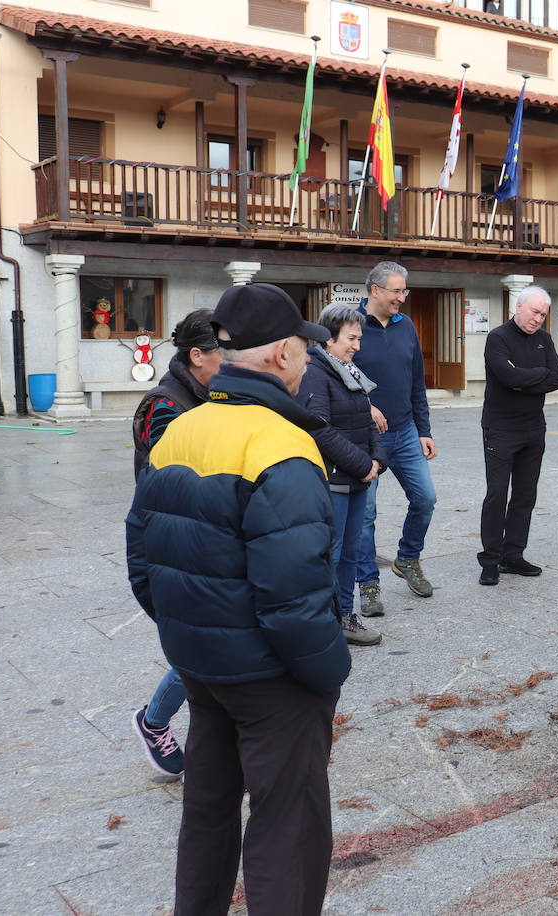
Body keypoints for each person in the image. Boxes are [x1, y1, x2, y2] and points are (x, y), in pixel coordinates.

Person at [125, 282, 351, 914]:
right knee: (288, 828)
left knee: (208, 812)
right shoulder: (281, 445)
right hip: (271, 677)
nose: (309, 358)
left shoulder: (180, 431)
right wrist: (327, 673)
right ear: (281, 354)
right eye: (305, 349)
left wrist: (191, 630)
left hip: (202, 664)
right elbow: (295, 595)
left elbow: (142, 558)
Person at [128, 308, 222, 777]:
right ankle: (154, 720)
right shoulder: (163, 404)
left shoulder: (215, 395)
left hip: (203, 537)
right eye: (226, 351)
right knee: (199, 647)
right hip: (168, 542)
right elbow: (177, 479)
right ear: (198, 355)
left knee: (212, 645)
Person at [299, 304, 388, 646]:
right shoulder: (315, 372)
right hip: (334, 480)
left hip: (356, 477)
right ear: (329, 338)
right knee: (332, 554)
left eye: (359, 338)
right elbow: (319, 427)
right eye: (351, 338)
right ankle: (325, 621)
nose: (357, 346)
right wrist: (362, 464)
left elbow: (367, 418)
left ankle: (345, 615)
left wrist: (377, 458)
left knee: (350, 551)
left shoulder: (348, 369)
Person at [354, 261, 437, 614]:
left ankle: (407, 558)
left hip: (404, 432)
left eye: (405, 291)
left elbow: (416, 381)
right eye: (396, 291)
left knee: (426, 498)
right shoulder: (349, 325)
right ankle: (368, 584)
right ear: (375, 290)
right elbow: (334, 372)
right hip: (364, 436)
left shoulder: (407, 326)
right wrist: (364, 404)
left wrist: (424, 430)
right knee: (365, 514)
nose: (402, 298)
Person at [478, 286, 558, 586]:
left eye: (543, 314)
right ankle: (490, 560)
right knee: (497, 495)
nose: (538, 318)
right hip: (500, 428)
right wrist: (535, 375)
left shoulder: (544, 339)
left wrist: (522, 379)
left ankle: (513, 555)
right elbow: (507, 376)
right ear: (519, 306)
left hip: (533, 427)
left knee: (525, 495)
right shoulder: (498, 338)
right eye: (534, 311)